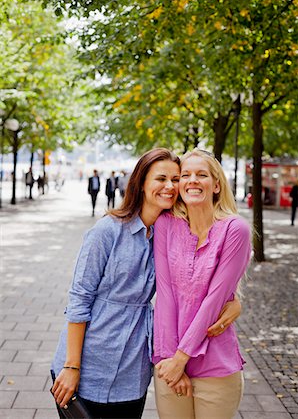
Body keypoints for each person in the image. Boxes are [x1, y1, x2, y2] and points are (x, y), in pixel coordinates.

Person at [50, 148, 241, 419]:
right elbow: (79, 299)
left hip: (133, 370)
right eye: (160, 179)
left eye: (176, 179)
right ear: (141, 183)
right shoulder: (108, 232)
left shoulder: (170, 233)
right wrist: (71, 366)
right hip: (90, 364)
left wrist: (234, 303)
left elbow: (194, 285)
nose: (170, 186)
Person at [153, 148, 251, 419]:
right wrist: (170, 361)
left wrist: (181, 358)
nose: (192, 180)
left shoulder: (235, 229)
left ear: (217, 185)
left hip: (215, 367)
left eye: (202, 175)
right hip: (168, 361)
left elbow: (215, 300)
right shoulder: (166, 224)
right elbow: (165, 295)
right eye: (185, 175)